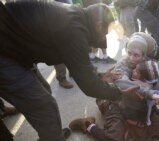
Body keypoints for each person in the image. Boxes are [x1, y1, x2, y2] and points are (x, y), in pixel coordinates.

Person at [0, 1, 133, 141]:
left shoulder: (76, 18)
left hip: (15, 50)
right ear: (99, 24)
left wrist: (99, 76)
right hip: (4, 52)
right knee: (43, 104)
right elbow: (89, 86)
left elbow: (78, 66)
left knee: (44, 90)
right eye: (105, 33)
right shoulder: (75, 30)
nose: (102, 38)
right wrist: (119, 94)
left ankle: (51, 135)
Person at [69, 32, 159, 141]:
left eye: (136, 55)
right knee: (114, 138)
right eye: (129, 53)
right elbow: (123, 84)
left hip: (136, 107)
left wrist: (148, 85)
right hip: (114, 102)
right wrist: (149, 92)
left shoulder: (150, 64)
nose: (131, 58)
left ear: (144, 56)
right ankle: (88, 125)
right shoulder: (122, 64)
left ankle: (132, 125)